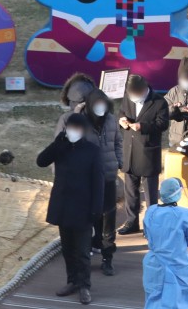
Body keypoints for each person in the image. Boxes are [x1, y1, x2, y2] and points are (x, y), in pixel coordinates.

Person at [37, 113, 105, 305]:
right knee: (67, 250)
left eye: (77, 128)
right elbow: (41, 161)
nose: (73, 131)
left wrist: (96, 210)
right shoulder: (61, 148)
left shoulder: (92, 151)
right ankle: (72, 281)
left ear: (83, 130)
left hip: (83, 209)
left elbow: (98, 183)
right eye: (70, 128)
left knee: (83, 252)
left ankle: (85, 286)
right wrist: (57, 143)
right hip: (63, 206)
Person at [54, 89, 122, 277]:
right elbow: (64, 146)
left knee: (109, 217)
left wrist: (119, 161)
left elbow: (118, 142)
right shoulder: (78, 121)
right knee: (88, 219)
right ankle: (84, 258)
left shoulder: (110, 120)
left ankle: (108, 257)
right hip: (87, 180)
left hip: (108, 177)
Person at [117, 74, 169, 236]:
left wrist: (143, 126)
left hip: (147, 152)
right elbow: (121, 112)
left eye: (136, 94)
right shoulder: (128, 97)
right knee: (131, 191)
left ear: (143, 90)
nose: (133, 97)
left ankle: (151, 225)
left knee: (150, 193)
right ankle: (131, 221)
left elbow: (163, 124)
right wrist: (122, 120)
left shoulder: (159, 102)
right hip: (129, 151)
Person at [141, 178, 188, 309]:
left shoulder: (151, 211)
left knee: (154, 299)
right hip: (178, 263)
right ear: (178, 192)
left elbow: (147, 233)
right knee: (180, 301)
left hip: (153, 263)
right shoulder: (184, 214)